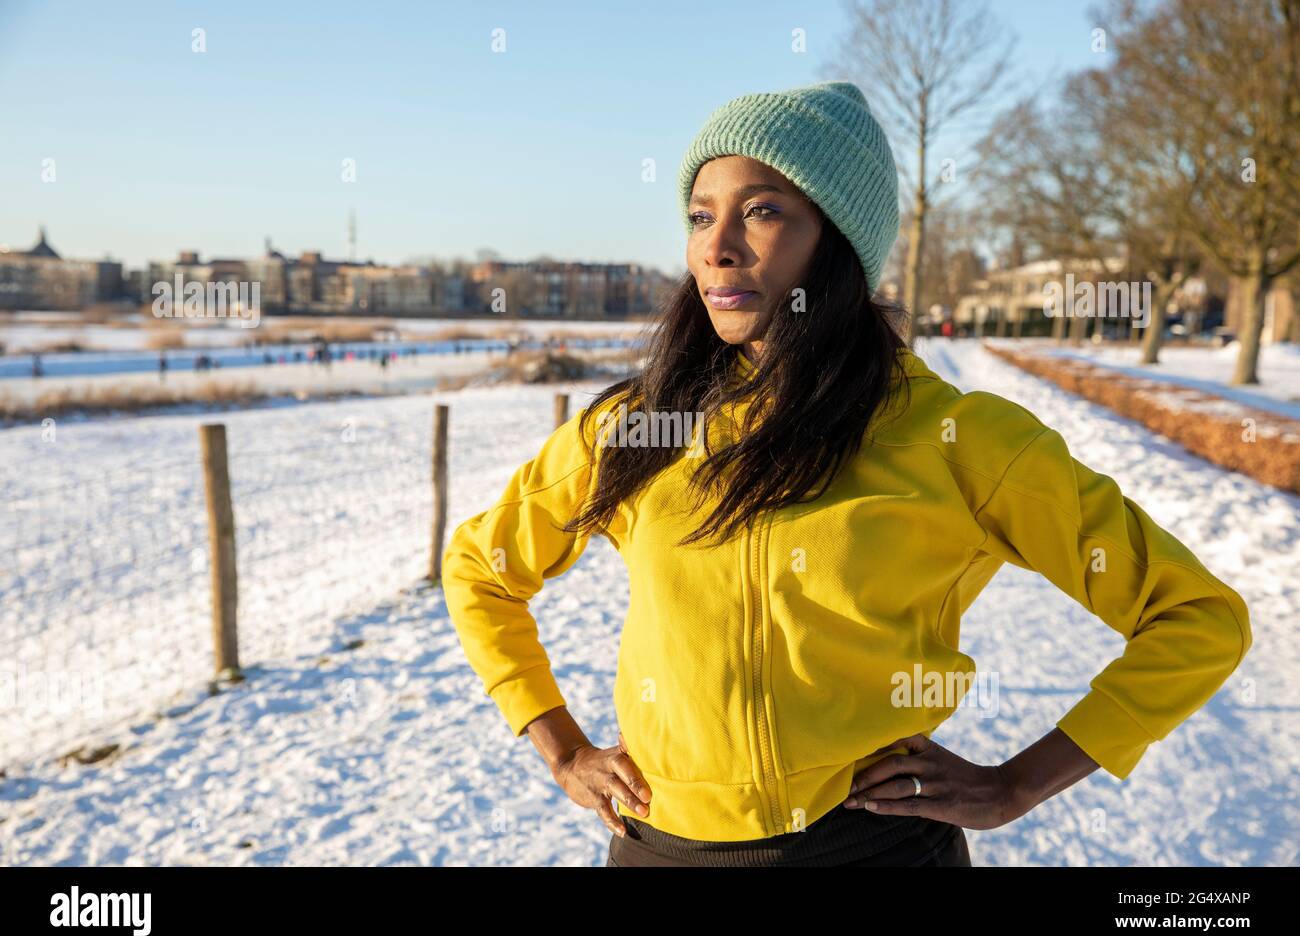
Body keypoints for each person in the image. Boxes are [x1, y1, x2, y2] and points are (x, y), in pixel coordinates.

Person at [442, 81, 1253, 867]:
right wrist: (561, 747)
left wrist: (1016, 787)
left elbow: (1196, 618)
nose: (716, 246)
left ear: (838, 239)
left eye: (761, 210)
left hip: (873, 850)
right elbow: (481, 566)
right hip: (660, 852)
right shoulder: (637, 430)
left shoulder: (955, 438)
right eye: (700, 215)